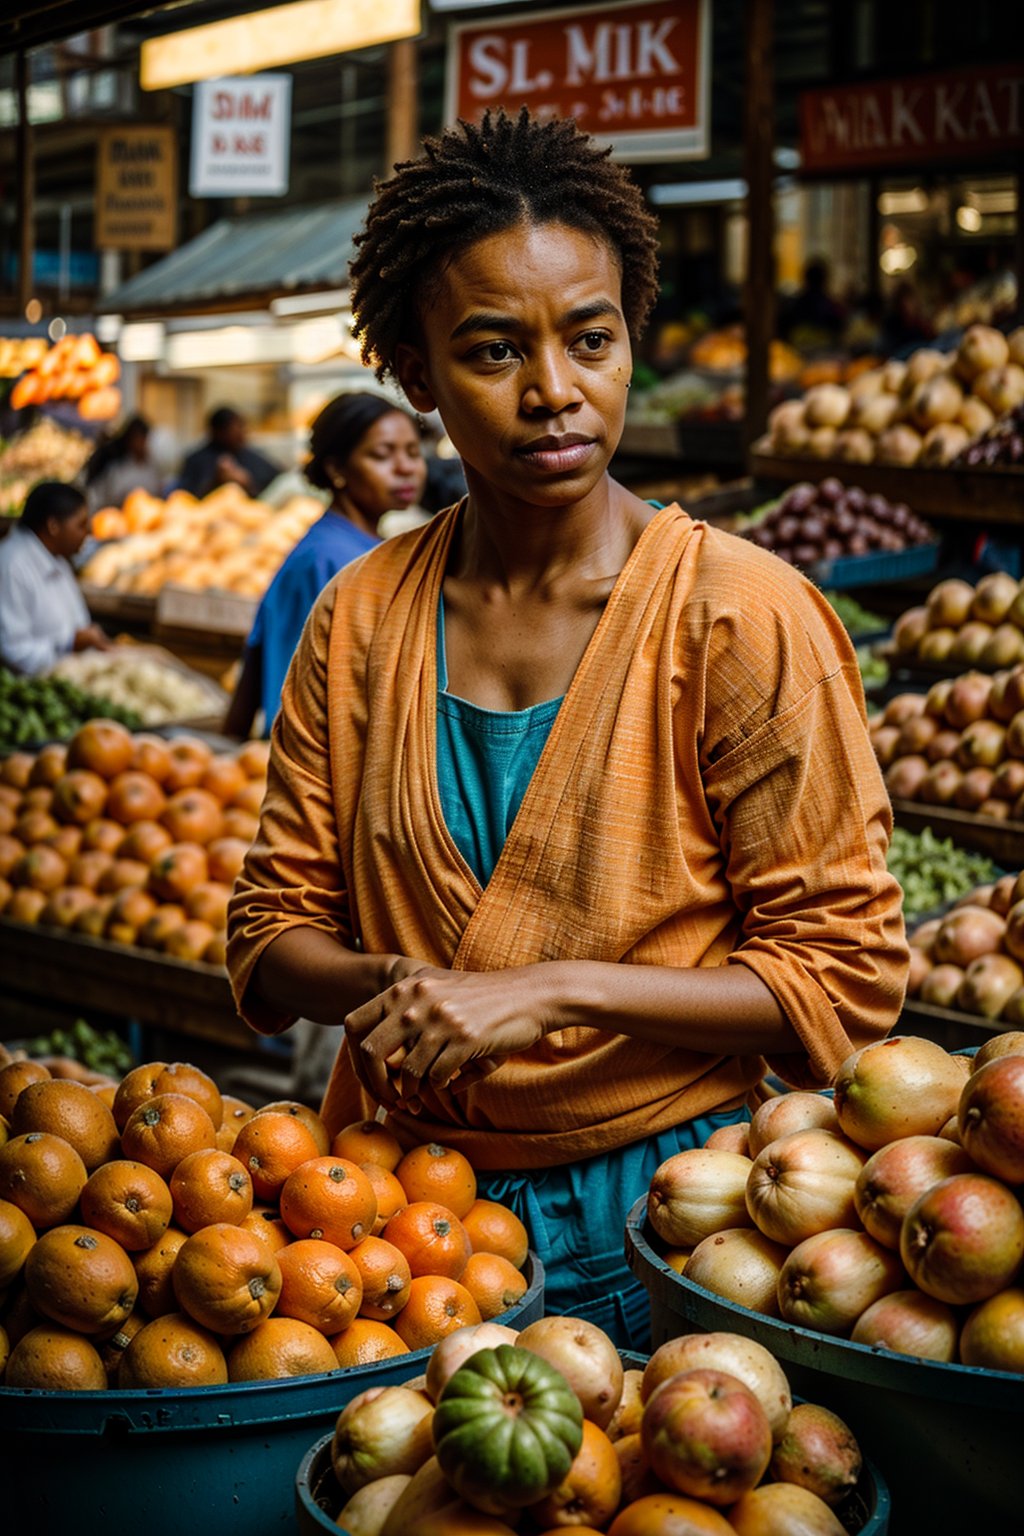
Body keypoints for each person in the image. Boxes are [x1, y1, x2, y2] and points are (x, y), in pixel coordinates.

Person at [226, 111, 909, 1347]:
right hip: (389, 1229)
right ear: (414, 373)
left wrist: (549, 992)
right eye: (493, 351)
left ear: (627, 338)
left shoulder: (739, 616)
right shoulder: (362, 617)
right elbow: (270, 937)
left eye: (590, 340)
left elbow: (842, 976)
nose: (555, 392)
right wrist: (399, 985)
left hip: (682, 1223)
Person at [224, 391, 427, 740]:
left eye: (412, 452)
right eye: (382, 454)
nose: (405, 468)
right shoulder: (331, 560)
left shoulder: (359, 548)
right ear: (336, 469)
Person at [0, 480, 110, 674]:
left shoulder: (57, 557)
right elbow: (12, 651)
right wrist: (70, 643)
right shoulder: (11, 566)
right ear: (53, 526)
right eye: (81, 525)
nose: (89, 532)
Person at [178, 406, 281, 501]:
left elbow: (274, 485)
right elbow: (187, 496)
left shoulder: (254, 457)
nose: (242, 432)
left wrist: (248, 483)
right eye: (236, 428)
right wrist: (216, 481)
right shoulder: (197, 460)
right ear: (218, 431)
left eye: (242, 427)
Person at [83, 415, 163, 511]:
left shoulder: (152, 466)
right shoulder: (116, 466)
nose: (142, 444)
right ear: (130, 440)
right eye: (138, 439)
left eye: (144, 439)